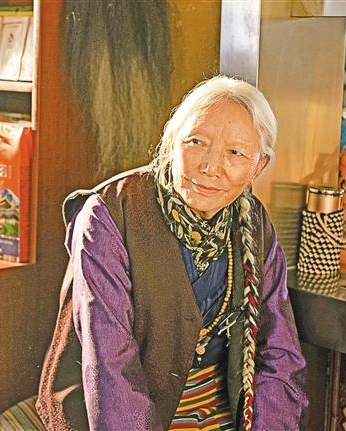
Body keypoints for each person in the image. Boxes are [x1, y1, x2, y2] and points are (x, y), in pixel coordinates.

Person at [36, 76, 308, 430]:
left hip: (217, 413)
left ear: (258, 167)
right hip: (113, 412)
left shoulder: (253, 223)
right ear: (171, 142)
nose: (210, 167)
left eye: (235, 153)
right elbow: (109, 365)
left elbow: (280, 355)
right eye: (196, 142)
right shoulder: (110, 214)